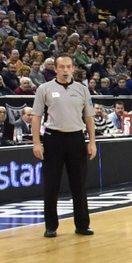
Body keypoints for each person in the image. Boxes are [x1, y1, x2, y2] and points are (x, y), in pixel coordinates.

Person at [27, 55, 95, 238]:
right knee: (51, 185)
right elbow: (36, 116)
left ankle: (82, 224)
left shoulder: (82, 89)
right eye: (61, 67)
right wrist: (36, 142)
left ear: (73, 68)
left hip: (76, 138)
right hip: (53, 138)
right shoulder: (44, 89)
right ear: (55, 69)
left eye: (68, 67)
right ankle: (50, 226)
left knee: (79, 184)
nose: (65, 70)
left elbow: (89, 117)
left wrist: (92, 141)